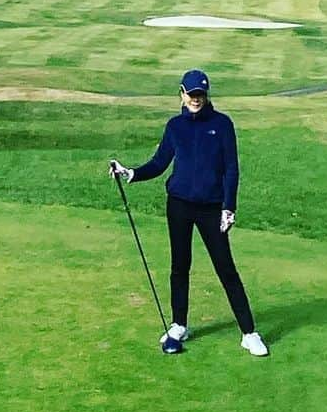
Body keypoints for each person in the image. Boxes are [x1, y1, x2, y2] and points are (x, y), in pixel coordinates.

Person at [110, 68, 268, 357]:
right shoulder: (175, 127)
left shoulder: (222, 125)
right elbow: (159, 163)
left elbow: (231, 169)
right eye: (191, 94)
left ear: (206, 95)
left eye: (201, 94)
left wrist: (228, 208)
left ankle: (249, 332)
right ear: (181, 94)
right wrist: (131, 172)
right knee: (179, 267)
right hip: (179, 205)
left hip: (211, 209)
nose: (196, 99)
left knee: (226, 269)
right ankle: (179, 324)